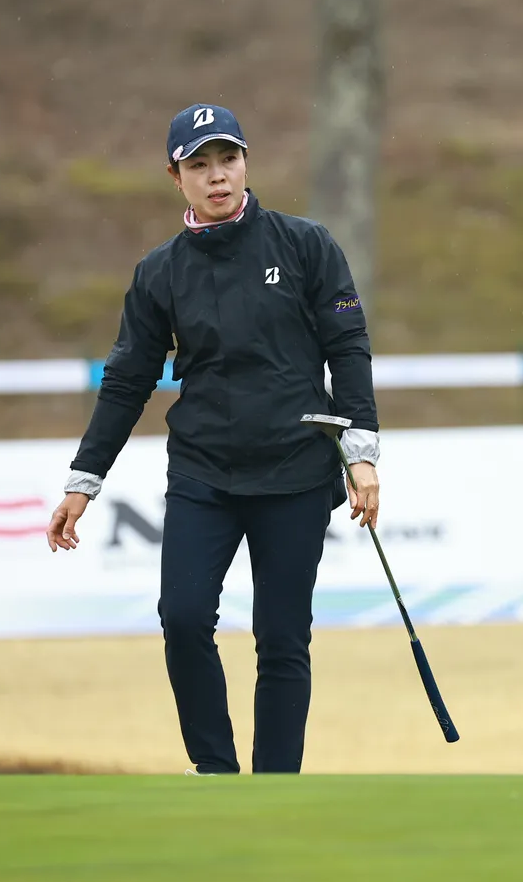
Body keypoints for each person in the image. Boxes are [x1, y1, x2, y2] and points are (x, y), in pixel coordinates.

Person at [44, 103, 381, 776]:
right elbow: (127, 382)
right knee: (184, 616)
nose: (217, 176)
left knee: (282, 637)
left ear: (247, 163)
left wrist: (361, 453)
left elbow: (348, 348)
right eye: (199, 165)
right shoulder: (160, 273)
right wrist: (84, 480)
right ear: (176, 177)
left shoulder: (305, 245)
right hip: (204, 473)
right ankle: (216, 773)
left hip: (295, 472)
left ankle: (274, 787)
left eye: (228, 160)